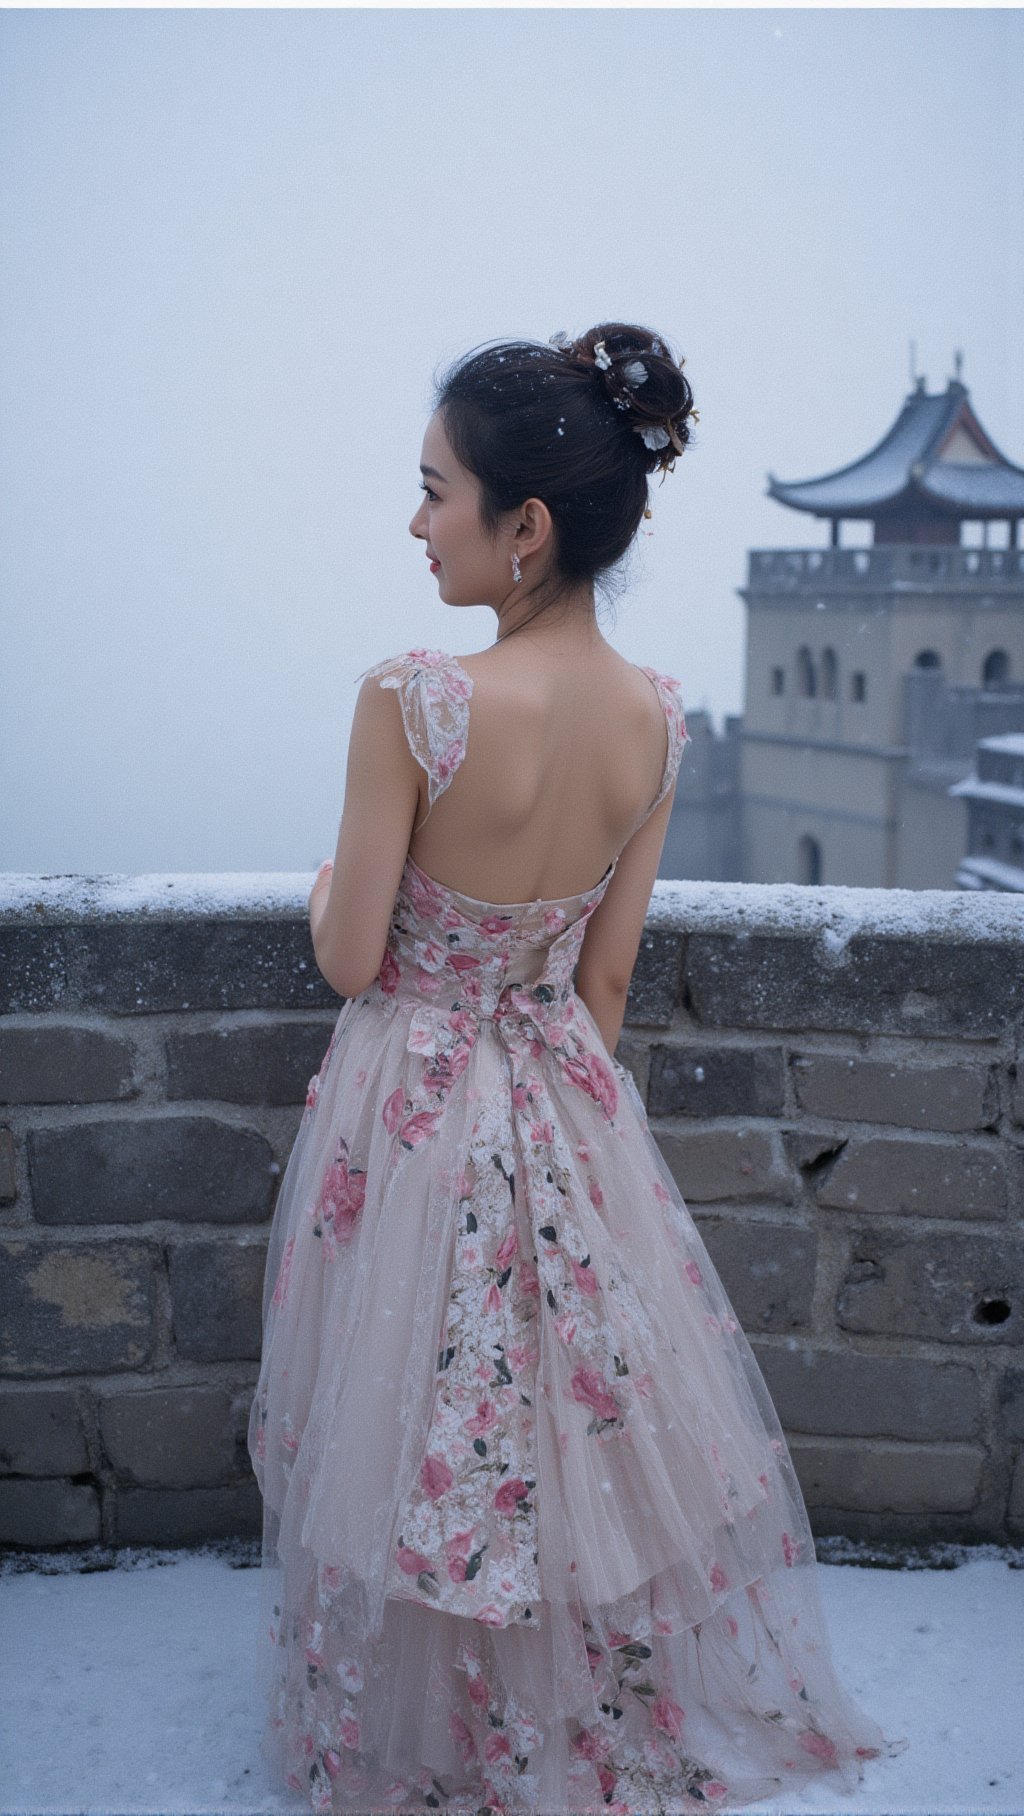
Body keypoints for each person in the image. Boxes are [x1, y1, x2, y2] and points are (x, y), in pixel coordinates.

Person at [247, 323, 901, 1814]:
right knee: (564, 1430)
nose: (415, 525)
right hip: (557, 1090)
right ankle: (565, 1709)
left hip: (411, 1093)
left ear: (524, 527)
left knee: (412, 1418)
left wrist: (326, 895)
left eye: (435, 492)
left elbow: (352, 958)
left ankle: (430, 1723)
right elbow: (603, 980)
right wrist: (539, 1110)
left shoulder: (414, 698)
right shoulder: (656, 720)